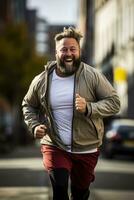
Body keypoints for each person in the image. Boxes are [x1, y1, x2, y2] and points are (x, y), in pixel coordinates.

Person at [22, 27, 120, 200]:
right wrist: (34, 125)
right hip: (55, 145)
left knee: (80, 193)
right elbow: (28, 104)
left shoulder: (92, 76)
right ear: (56, 52)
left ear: (79, 51)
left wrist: (89, 108)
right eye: (64, 49)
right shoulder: (42, 80)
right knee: (59, 189)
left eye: (72, 49)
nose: (68, 53)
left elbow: (114, 103)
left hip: (87, 148)